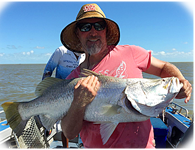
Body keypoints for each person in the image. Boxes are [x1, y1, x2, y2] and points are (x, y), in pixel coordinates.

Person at [60, 3, 192, 148]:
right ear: (78, 34)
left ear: (106, 30)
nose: (93, 32)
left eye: (99, 26)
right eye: (85, 27)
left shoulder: (130, 52)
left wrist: (180, 81)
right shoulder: (71, 81)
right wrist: (79, 103)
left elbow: (163, 67)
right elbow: (69, 133)